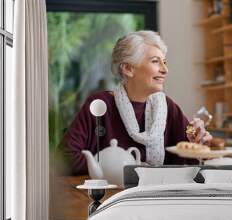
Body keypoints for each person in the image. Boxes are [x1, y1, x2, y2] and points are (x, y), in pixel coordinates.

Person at [59, 31, 212, 175]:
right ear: (128, 68)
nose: (165, 70)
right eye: (155, 62)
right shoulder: (100, 105)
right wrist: (119, 167)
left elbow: (185, 165)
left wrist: (198, 144)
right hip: (111, 197)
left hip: (155, 197)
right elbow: (65, 159)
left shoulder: (168, 107)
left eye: (164, 62)